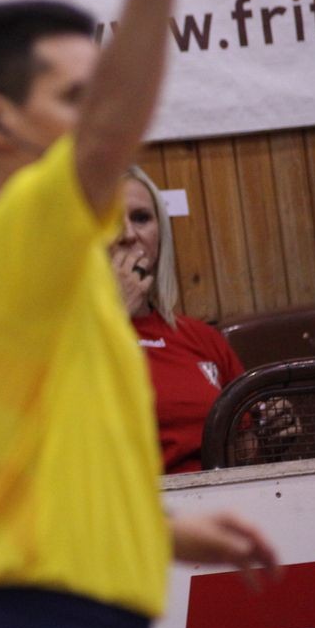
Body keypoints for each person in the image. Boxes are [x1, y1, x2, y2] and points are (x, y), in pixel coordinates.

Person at [0, 0, 278, 628]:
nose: (98, 124)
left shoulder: (14, 282)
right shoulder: (22, 225)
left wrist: (157, 533)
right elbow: (114, 132)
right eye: (74, 98)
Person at [112, 167, 297, 473]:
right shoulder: (58, 339)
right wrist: (112, 316)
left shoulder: (200, 337)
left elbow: (244, 452)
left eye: (141, 218)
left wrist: (271, 434)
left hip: (220, 495)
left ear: (161, 234)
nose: (129, 234)